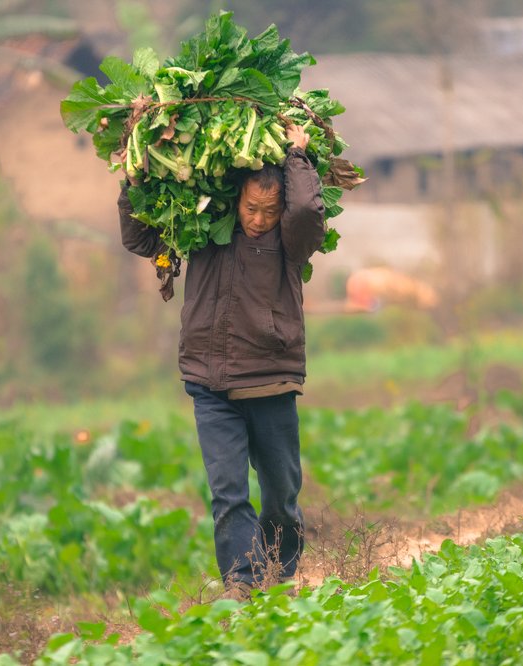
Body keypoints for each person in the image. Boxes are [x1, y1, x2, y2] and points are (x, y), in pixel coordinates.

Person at [118, 124, 325, 600]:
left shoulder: (291, 239)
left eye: (269, 212)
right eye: (251, 208)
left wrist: (296, 155)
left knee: (280, 491)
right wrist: (131, 183)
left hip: (269, 379)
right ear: (235, 199)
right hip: (208, 381)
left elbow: (307, 212)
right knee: (228, 492)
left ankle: (280, 573)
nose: (257, 219)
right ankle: (242, 583)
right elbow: (142, 239)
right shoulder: (201, 224)